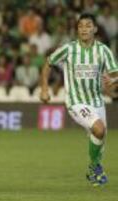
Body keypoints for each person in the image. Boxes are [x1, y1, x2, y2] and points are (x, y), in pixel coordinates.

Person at [40, 13, 118, 186]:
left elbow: (114, 75)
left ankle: (93, 167)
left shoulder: (103, 50)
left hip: (97, 102)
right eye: (81, 26)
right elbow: (48, 63)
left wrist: (113, 81)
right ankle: (95, 167)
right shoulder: (69, 49)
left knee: (100, 138)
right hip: (76, 101)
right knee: (99, 129)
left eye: (88, 25)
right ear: (77, 30)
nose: (84, 29)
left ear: (95, 29)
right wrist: (45, 88)